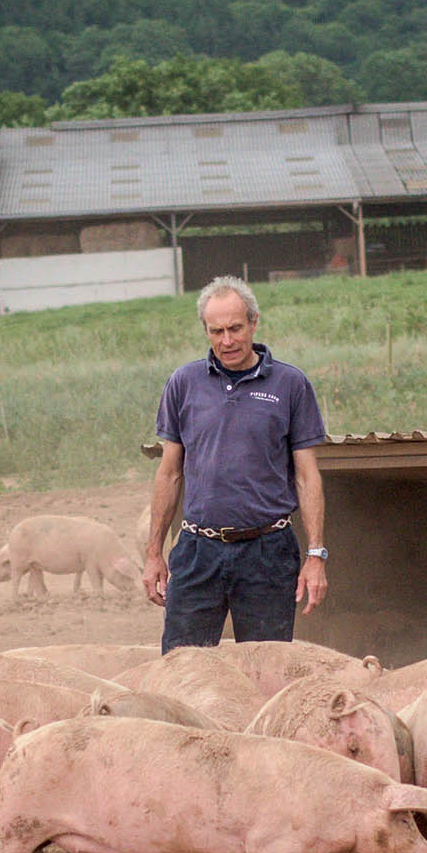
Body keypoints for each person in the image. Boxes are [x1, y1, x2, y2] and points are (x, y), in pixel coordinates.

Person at [142, 276, 329, 651]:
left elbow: (307, 477)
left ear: (254, 323)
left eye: (235, 328)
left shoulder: (290, 384)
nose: (227, 341)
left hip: (268, 553)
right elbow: (169, 472)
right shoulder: (183, 383)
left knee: (264, 668)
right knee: (182, 666)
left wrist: (315, 555)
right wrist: (153, 553)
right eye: (216, 331)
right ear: (206, 331)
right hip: (197, 551)